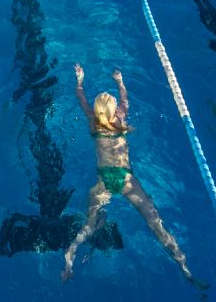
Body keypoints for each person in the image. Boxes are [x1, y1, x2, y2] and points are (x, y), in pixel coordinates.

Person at [61, 65, 195, 284]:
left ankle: (70, 254)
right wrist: (120, 81)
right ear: (113, 111)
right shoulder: (121, 118)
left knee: (89, 223)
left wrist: (80, 80)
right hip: (126, 180)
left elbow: (80, 98)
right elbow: (125, 99)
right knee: (154, 220)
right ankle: (182, 263)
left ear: (97, 112)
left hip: (103, 181)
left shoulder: (93, 122)